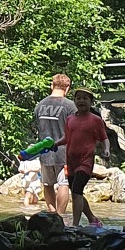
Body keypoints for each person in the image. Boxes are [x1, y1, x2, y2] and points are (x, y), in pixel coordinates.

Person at [63, 88, 110, 229]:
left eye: (85, 98)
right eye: (78, 98)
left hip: (85, 162)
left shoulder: (96, 120)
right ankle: (92, 218)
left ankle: (75, 225)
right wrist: (54, 144)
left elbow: (104, 138)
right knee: (76, 193)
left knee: (77, 191)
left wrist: (107, 149)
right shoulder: (70, 119)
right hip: (71, 161)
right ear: (74, 101)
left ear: (91, 102)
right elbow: (66, 138)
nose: (81, 101)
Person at [32, 73, 76, 220]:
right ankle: (60, 216)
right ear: (67, 88)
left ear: (52, 85)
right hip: (64, 153)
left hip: (44, 152)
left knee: (47, 184)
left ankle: (51, 213)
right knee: (64, 184)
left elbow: (36, 127)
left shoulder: (40, 105)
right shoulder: (70, 106)